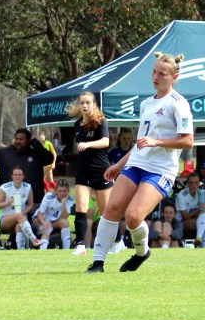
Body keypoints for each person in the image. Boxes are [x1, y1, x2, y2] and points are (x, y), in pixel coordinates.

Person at [87, 52, 194, 273]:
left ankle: (141, 253)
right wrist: (119, 165)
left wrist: (157, 141)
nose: (155, 77)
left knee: (134, 216)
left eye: (162, 74)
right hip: (136, 164)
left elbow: (188, 141)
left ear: (174, 77)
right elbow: (140, 142)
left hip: (160, 170)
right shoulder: (146, 103)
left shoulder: (179, 104)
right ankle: (97, 263)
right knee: (111, 209)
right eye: (154, 72)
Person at [65, 91, 115, 255]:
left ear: (94, 105)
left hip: (101, 171)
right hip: (83, 171)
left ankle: (118, 241)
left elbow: (105, 142)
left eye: (88, 102)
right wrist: (84, 145)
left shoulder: (101, 122)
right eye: (82, 103)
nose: (85, 105)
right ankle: (80, 246)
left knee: (106, 211)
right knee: (81, 207)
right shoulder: (77, 125)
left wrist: (88, 144)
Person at [0, 128, 54, 209]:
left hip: (34, 200)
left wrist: (35, 143)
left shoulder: (36, 154)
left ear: (28, 140)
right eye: (16, 139)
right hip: (10, 200)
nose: (18, 141)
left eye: (21, 139)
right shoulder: (4, 153)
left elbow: (49, 159)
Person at [0, 166, 41, 249]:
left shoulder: (28, 187)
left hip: (21, 218)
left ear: (23, 176)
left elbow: (30, 204)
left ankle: (21, 250)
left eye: (20, 175)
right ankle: (34, 240)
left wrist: (23, 213)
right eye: (15, 175)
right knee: (18, 215)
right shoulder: (4, 188)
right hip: (5, 219)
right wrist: (7, 202)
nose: (17, 177)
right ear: (12, 176)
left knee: (19, 224)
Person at [32, 179, 74, 250]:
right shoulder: (49, 197)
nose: (62, 193)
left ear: (68, 191)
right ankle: (43, 250)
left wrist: (63, 202)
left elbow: (64, 216)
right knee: (47, 228)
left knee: (65, 222)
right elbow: (40, 214)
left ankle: (66, 249)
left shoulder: (70, 199)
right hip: (40, 220)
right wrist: (44, 223)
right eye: (60, 191)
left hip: (54, 223)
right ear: (56, 191)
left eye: (64, 191)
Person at [174, 172, 205, 247]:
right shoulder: (182, 196)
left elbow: (204, 212)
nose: (194, 185)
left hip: (193, 218)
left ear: (199, 183)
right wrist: (200, 208)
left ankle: (199, 240)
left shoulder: (201, 193)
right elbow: (185, 217)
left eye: (196, 182)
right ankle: (202, 246)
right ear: (187, 184)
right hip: (180, 222)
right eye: (191, 183)